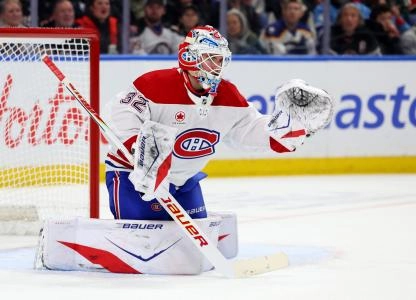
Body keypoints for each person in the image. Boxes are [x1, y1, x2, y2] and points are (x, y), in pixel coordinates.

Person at [105, 25, 334, 222]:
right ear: (189, 57)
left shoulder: (228, 95)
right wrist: (139, 149)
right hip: (132, 178)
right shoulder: (154, 84)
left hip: (184, 182)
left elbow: (251, 129)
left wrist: (291, 128)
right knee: (143, 240)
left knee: (196, 257)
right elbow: (121, 112)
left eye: (220, 59)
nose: (217, 64)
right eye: (211, 57)